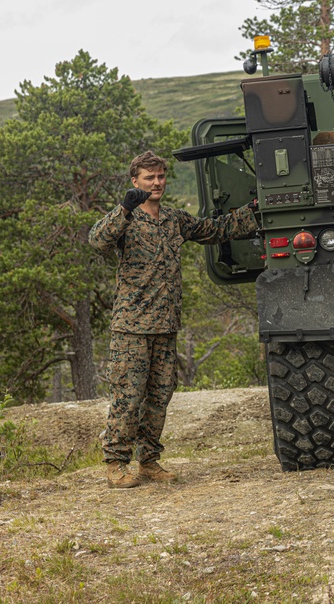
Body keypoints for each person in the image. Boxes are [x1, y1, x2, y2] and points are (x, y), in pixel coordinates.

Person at [89, 151, 260, 488]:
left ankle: (149, 461)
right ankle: (116, 463)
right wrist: (123, 209)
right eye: (149, 178)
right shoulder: (126, 218)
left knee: (159, 396)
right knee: (128, 395)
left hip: (166, 325)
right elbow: (98, 240)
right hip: (132, 327)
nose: (156, 183)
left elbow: (214, 229)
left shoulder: (173, 219)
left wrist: (253, 212)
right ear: (135, 181)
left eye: (161, 177)